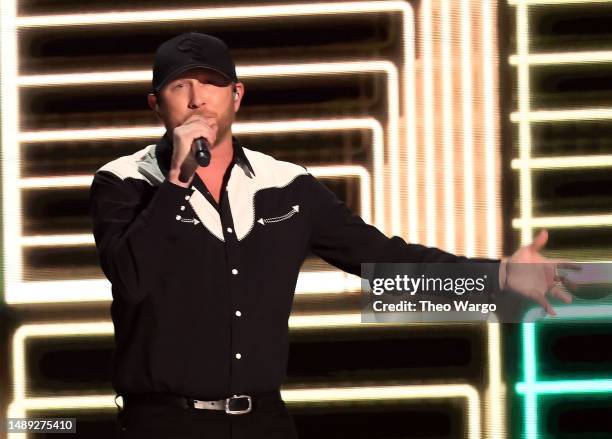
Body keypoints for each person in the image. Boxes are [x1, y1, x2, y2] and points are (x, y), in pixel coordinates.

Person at [88, 32, 574, 439]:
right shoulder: (123, 182)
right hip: (162, 424)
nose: (198, 99)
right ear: (156, 103)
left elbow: (380, 259)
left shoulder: (286, 185)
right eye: (181, 86)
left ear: (237, 96)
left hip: (264, 422)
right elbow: (132, 279)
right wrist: (178, 178)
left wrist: (502, 279)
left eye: (212, 85)